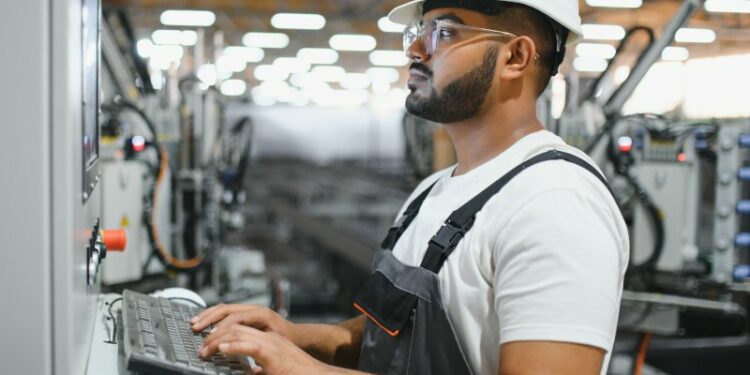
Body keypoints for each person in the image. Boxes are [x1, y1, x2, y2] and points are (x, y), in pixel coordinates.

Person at [191, 0, 629, 374]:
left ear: (515, 57)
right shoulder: (435, 191)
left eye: (445, 31)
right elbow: (393, 335)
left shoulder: (555, 204)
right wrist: (294, 336)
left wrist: (307, 369)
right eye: (419, 31)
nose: (416, 49)